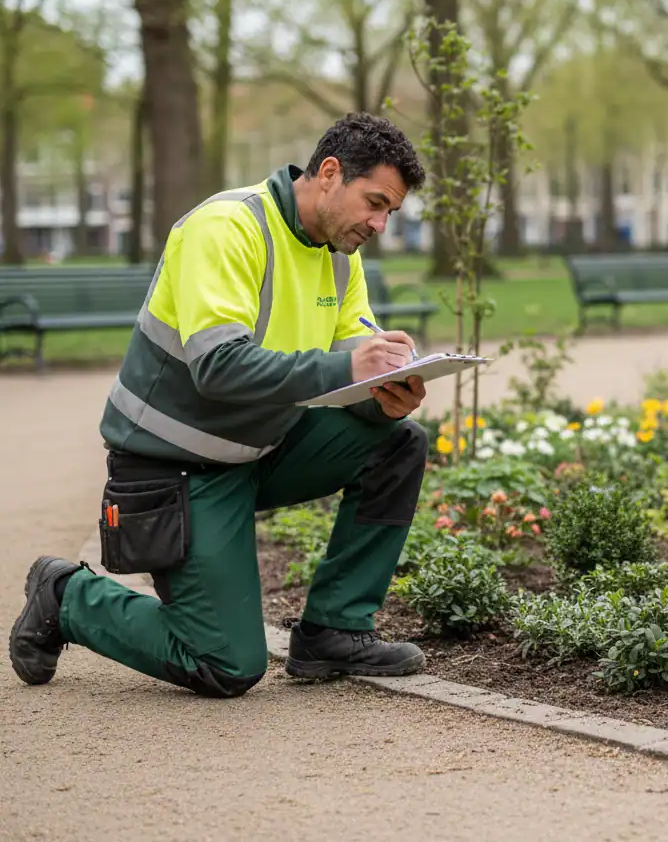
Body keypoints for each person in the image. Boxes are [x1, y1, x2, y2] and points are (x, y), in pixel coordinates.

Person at [10, 112, 434, 698]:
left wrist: (384, 396)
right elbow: (217, 367)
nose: (380, 224)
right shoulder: (226, 227)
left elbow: (346, 371)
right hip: (173, 467)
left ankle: (335, 631)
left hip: (258, 447)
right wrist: (351, 368)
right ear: (330, 173)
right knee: (226, 665)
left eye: (391, 212)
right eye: (376, 203)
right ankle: (66, 596)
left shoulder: (341, 255)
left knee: (398, 441)